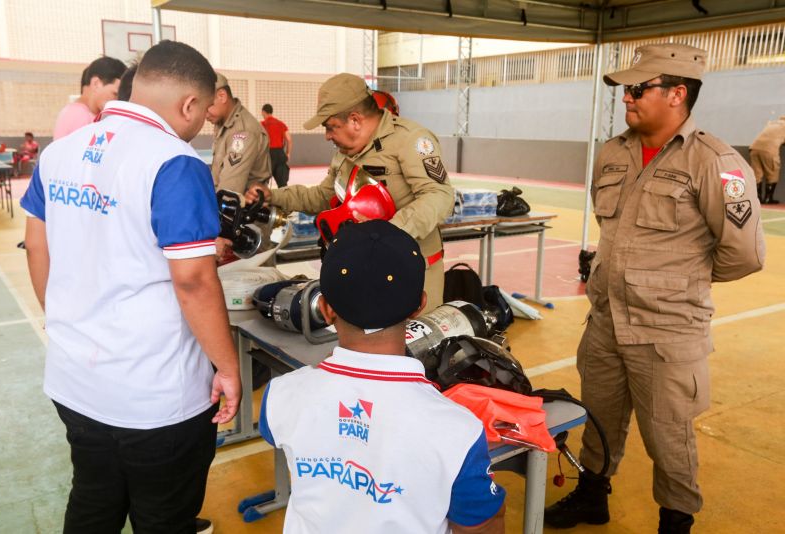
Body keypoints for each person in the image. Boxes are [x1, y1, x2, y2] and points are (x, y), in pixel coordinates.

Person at [544, 44, 765, 534]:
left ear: (677, 94)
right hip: (604, 321)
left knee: (669, 435)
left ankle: (675, 519)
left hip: (667, 330)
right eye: (626, 88)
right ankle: (592, 496)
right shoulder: (614, 150)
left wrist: (677, 284)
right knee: (598, 418)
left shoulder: (714, 161)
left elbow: (745, 254)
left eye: (639, 88)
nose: (628, 97)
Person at [20, 40, 239, 534]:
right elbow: (194, 279)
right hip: (154, 396)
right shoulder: (174, 162)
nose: (202, 123)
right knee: (163, 517)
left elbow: (38, 248)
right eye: (203, 112)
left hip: (74, 379)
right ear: (189, 104)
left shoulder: (59, 155)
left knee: (93, 503)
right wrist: (227, 368)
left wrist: (68, 323)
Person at [258, 219, 506, 534]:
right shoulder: (459, 431)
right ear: (419, 306)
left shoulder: (280, 394)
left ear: (326, 308)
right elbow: (481, 525)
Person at [246, 73, 454, 312]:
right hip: (363, 270)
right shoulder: (344, 153)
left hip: (412, 270)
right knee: (368, 345)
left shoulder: (410, 140)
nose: (327, 136)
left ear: (355, 120)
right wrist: (275, 196)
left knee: (414, 346)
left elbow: (439, 196)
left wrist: (385, 234)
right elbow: (323, 197)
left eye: (331, 127)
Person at [207, 73, 272, 195]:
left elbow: (228, 193)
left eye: (206, 106)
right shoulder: (223, 123)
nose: (204, 114)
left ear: (222, 96)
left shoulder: (242, 132)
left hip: (239, 210)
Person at [53, 56, 126, 140]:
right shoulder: (80, 116)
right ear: (96, 84)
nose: (117, 100)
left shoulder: (79, 113)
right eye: (115, 94)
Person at [749, 115, 785, 204]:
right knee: (773, 171)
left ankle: (757, 199)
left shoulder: (772, 123)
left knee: (757, 173)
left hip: (754, 148)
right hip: (769, 150)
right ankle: (768, 199)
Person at [260, 103, 292, 187]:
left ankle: (263, 198)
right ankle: (284, 199)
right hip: (280, 154)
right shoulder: (281, 124)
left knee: (263, 182)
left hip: (268, 155)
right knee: (282, 184)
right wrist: (288, 153)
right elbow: (289, 139)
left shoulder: (261, 125)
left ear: (263, 112)